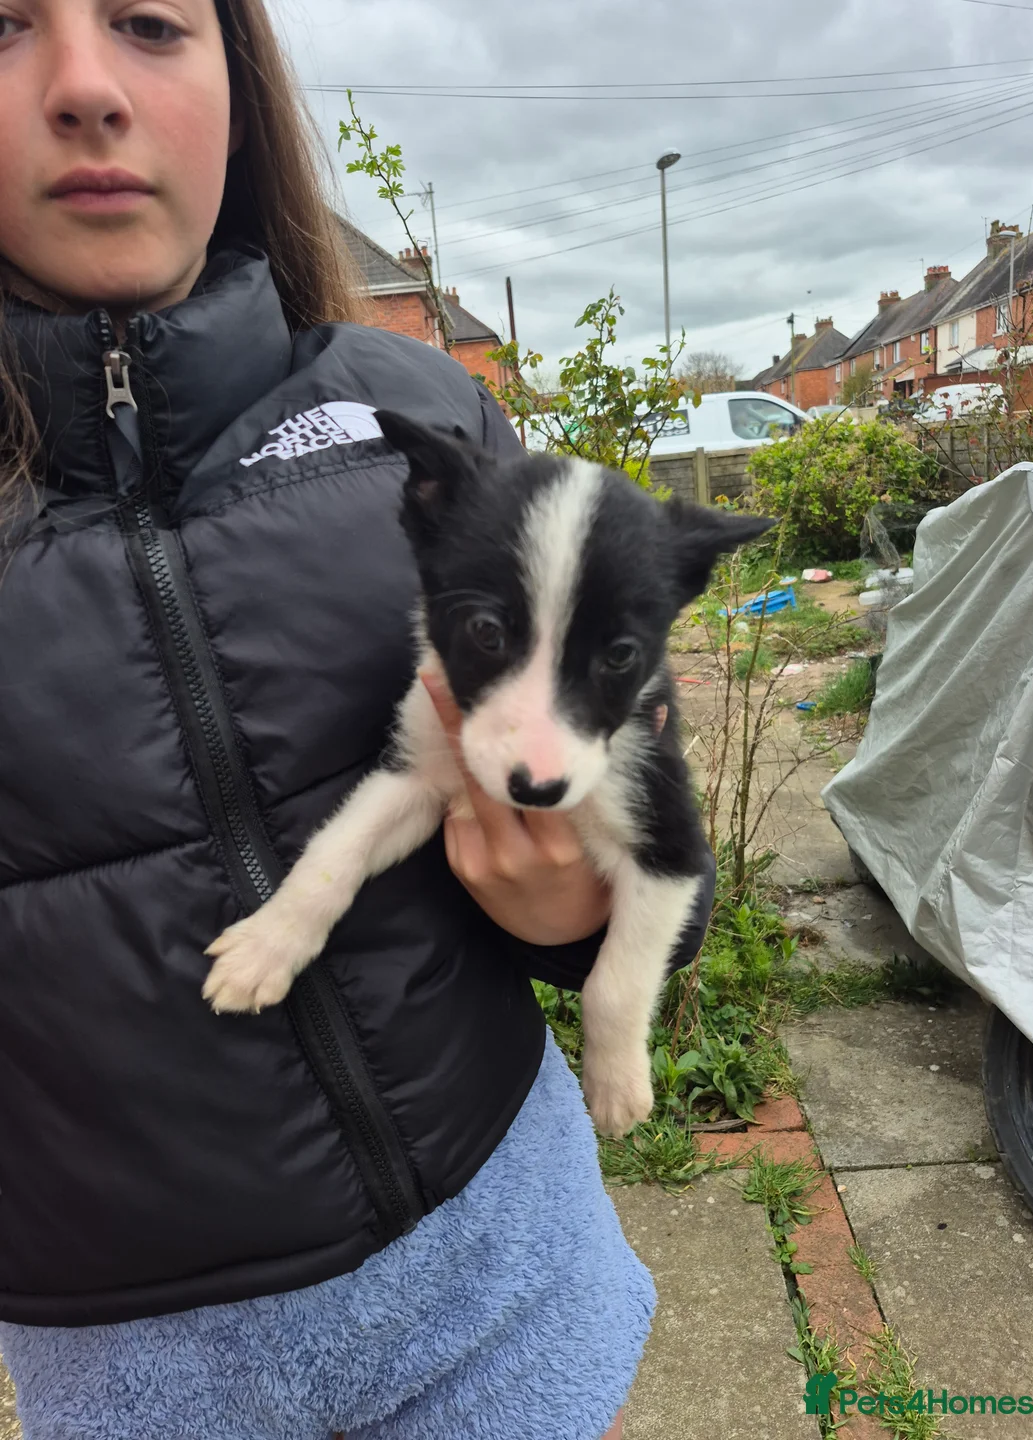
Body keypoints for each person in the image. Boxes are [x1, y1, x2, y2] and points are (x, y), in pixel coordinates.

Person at [0, 0, 714, 1436]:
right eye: (2, 25)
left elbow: (645, 803)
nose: (85, 87)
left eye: (147, 20)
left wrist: (573, 920)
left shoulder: (421, 418)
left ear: (240, 76)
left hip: (502, 1274)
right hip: (136, 1354)